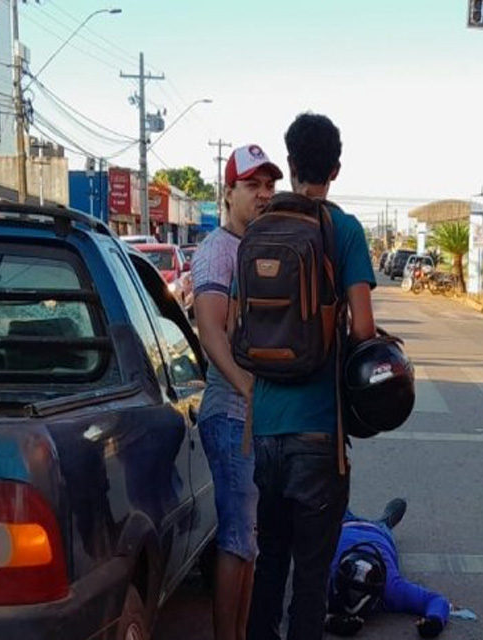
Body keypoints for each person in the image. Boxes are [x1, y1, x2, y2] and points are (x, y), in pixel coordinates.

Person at [247, 113, 377, 640]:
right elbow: (364, 325)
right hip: (319, 434)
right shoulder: (341, 229)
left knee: (270, 561)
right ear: (336, 170)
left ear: (291, 163)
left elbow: (240, 321)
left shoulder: (259, 229)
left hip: (266, 429)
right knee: (310, 575)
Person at [193, 144, 282, 640]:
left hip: (256, 414)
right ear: (228, 193)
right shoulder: (216, 250)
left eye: (269, 185)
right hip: (231, 415)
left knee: (249, 542)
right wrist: (249, 390)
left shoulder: (261, 247)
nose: (264, 195)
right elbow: (212, 335)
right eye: (253, 186)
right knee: (235, 540)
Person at [325, 499, 450, 638]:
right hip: (366, 530)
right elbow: (437, 601)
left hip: (365, 530)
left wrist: (434, 622)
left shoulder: (391, 587)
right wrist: (435, 618)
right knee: (333, 500)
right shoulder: (329, 576)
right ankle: (386, 519)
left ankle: (386, 519)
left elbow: (437, 600)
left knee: (333, 504)